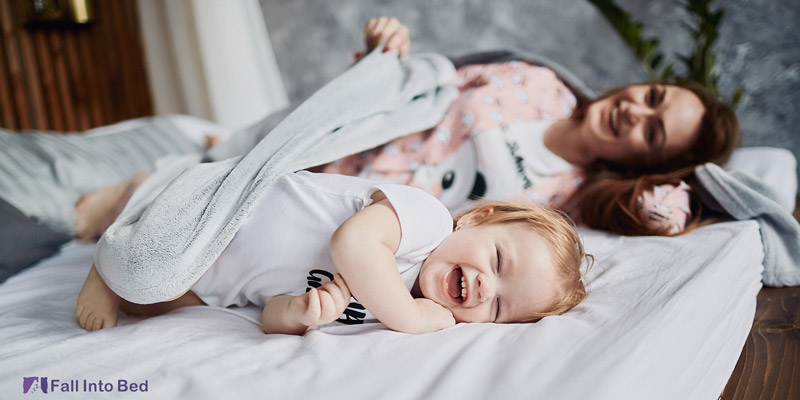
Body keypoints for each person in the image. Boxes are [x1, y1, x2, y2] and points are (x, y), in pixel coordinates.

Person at [318, 17, 741, 235]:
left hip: (358, 234)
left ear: (642, 166)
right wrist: (385, 57)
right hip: (324, 163)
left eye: (653, 133)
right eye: (652, 98)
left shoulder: (571, 202)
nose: (636, 112)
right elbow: (416, 89)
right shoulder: (538, 83)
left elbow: (660, 214)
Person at [75, 171, 591, 334]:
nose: (484, 286)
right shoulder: (426, 220)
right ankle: (109, 256)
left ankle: (128, 260)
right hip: (222, 209)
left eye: (498, 306)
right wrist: (411, 317)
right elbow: (353, 244)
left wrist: (300, 314)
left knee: (155, 304)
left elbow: (268, 314)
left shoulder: (381, 313)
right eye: (499, 263)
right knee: (141, 269)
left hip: (217, 280)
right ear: (478, 218)